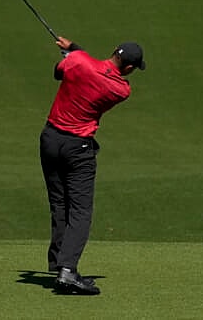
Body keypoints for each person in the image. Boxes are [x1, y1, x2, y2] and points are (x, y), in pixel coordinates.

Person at [40, 36, 146, 294]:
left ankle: (58, 262)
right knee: (81, 211)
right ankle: (67, 271)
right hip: (78, 148)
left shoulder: (77, 61)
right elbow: (98, 72)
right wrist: (75, 50)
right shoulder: (120, 90)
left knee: (59, 202)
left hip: (50, 139)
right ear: (129, 68)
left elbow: (59, 72)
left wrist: (72, 53)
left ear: (114, 51)